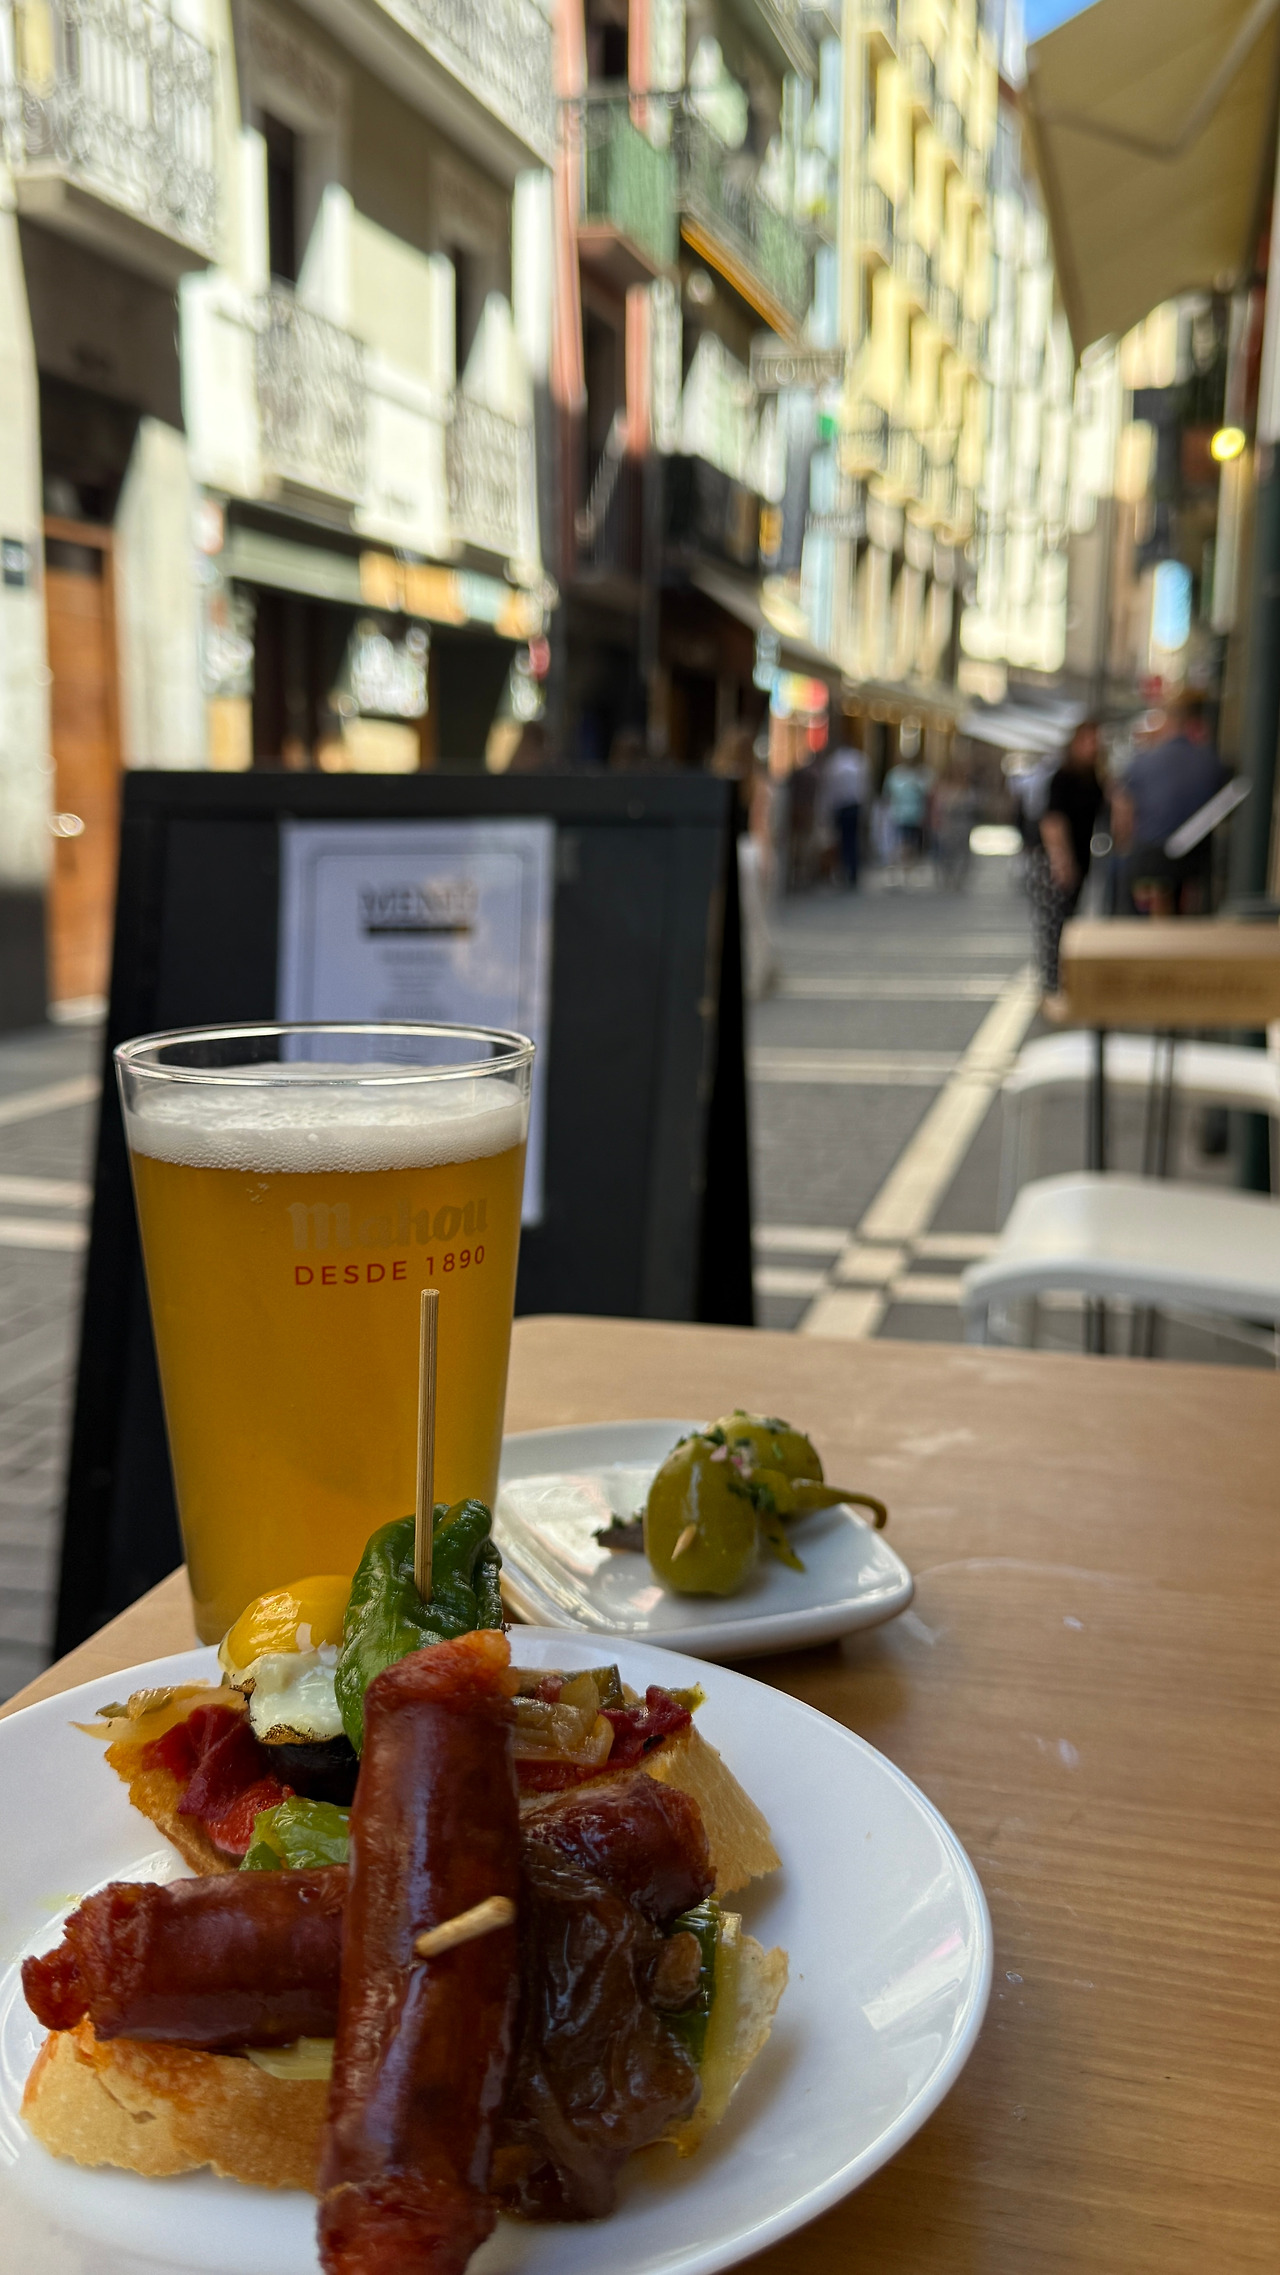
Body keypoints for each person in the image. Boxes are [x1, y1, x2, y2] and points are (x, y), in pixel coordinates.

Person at [1110, 694, 1227, 915]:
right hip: (1195, 860)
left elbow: (1123, 812)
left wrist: (1124, 847)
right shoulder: (1211, 761)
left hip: (1149, 857)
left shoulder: (1143, 761)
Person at [1027, 717, 1105, 1006]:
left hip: (1080, 861)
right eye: (1088, 740)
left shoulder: (1094, 777)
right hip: (1054, 862)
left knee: (1068, 923)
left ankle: (1060, 983)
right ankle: (1050, 988)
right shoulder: (1063, 777)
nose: (1093, 746)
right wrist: (1062, 861)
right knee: (1053, 927)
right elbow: (1052, 821)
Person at [819, 739, 870, 887]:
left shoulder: (835, 763)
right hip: (853, 807)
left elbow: (829, 790)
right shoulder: (858, 761)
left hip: (842, 807)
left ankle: (845, 871)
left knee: (843, 840)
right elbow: (864, 787)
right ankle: (851, 871)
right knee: (852, 840)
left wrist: (826, 810)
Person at [883, 748, 933, 879]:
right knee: (900, 843)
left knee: (910, 844)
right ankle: (900, 869)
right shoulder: (895, 775)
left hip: (915, 816)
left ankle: (907, 870)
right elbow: (888, 795)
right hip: (898, 815)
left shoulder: (919, 775)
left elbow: (926, 795)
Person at [931, 762, 978, 892]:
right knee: (946, 852)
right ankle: (948, 877)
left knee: (961, 853)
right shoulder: (942, 788)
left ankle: (957, 879)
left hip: (961, 823)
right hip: (947, 823)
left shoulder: (965, 788)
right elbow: (936, 807)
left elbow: (972, 805)